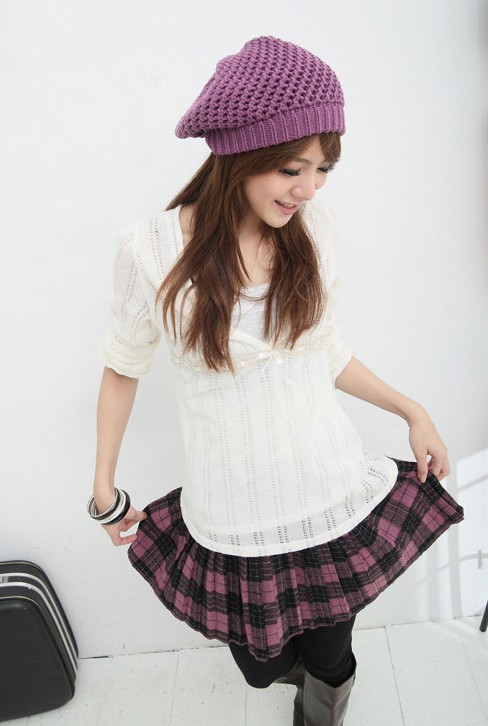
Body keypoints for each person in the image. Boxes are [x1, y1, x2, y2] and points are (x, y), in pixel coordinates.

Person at [90, 36, 464, 726]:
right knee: (260, 665)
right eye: (293, 168)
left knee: (330, 656)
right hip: (230, 512)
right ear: (240, 152)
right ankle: (294, 685)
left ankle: (320, 716)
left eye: (323, 168)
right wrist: (104, 486)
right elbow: (122, 367)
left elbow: (325, 352)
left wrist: (411, 408)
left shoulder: (310, 234)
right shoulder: (150, 250)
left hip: (328, 493)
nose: (309, 188)